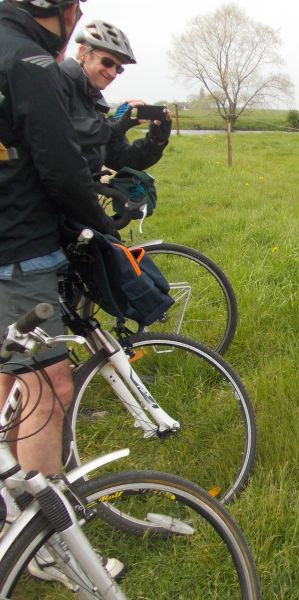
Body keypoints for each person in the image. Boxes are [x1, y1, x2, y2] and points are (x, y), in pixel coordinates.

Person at [0, 0, 123, 586]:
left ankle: (6, 505)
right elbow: (58, 163)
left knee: (8, 376)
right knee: (51, 386)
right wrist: (97, 221)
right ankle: (42, 544)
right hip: (18, 248)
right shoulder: (30, 62)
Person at [60, 19, 171, 177]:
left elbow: (122, 159)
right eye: (107, 62)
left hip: (78, 197)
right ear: (83, 53)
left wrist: (156, 140)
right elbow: (60, 134)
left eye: (118, 69)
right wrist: (117, 127)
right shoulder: (56, 85)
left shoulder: (92, 102)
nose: (112, 73)